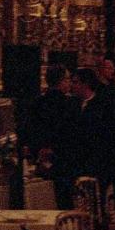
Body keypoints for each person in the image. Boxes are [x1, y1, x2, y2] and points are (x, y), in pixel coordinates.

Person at [28, 65, 80, 209]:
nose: (70, 83)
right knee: (65, 201)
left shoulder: (37, 103)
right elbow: (72, 133)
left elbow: (32, 131)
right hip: (65, 160)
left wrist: (40, 150)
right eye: (68, 79)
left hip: (42, 160)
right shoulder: (70, 104)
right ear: (61, 81)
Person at [71, 68, 114, 192]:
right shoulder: (72, 105)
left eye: (75, 82)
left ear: (86, 84)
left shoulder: (101, 106)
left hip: (95, 163)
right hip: (76, 163)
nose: (72, 86)